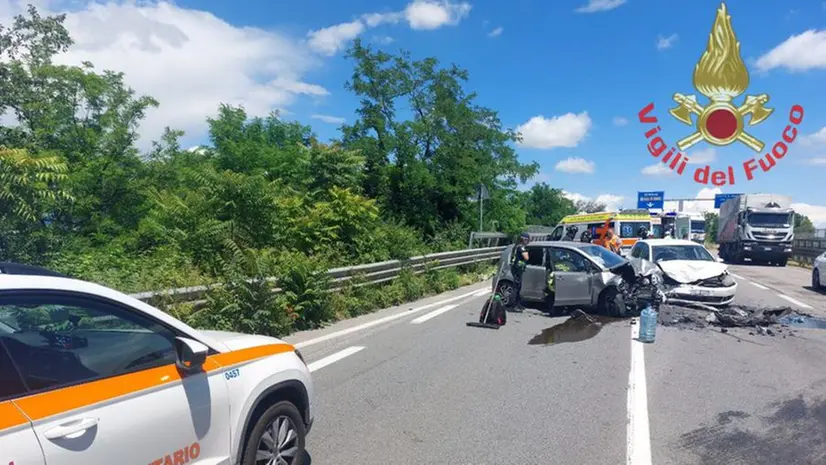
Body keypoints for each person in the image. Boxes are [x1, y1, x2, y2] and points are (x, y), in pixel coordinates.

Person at [508, 232, 530, 311]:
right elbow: (526, 257)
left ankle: (518, 304)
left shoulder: (516, 246)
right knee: (516, 288)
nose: (527, 241)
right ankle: (513, 305)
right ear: (523, 239)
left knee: (518, 287)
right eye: (526, 240)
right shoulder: (521, 247)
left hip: (516, 268)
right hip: (517, 269)